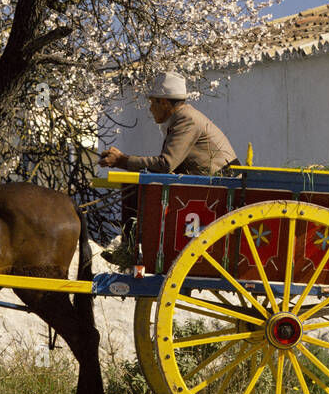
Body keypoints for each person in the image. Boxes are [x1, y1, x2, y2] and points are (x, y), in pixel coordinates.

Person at [98, 72, 239, 266]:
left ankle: (131, 250)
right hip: (210, 183)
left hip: (217, 186)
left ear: (163, 102)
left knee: (138, 187)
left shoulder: (185, 120)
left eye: (152, 103)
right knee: (137, 185)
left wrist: (122, 161)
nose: (150, 109)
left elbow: (166, 164)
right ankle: (132, 248)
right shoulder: (182, 118)